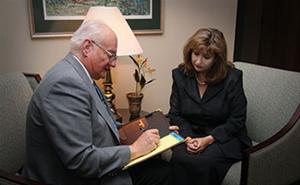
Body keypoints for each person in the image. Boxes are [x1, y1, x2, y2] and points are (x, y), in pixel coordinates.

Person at [21, 20, 171, 185]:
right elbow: (81, 161)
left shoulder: (79, 75)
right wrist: (134, 150)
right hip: (71, 178)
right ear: (87, 47)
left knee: (161, 166)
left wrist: (153, 129)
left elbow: (107, 125)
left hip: (98, 161)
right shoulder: (65, 84)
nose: (114, 63)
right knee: (164, 172)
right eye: (110, 55)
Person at [168, 28, 252, 185]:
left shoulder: (232, 78)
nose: (198, 61)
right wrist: (188, 138)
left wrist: (208, 139)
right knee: (180, 157)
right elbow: (175, 114)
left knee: (203, 162)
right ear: (189, 52)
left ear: (217, 58)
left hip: (223, 137)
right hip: (189, 133)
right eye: (195, 54)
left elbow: (237, 120)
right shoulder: (180, 75)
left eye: (206, 57)